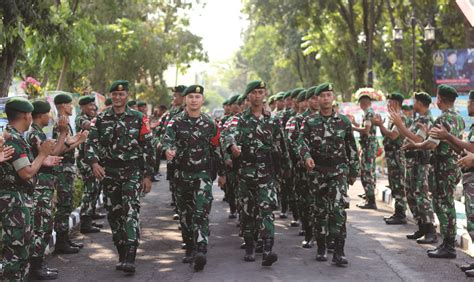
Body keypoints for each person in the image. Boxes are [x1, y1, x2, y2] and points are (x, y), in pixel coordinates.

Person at [85, 80, 155, 273]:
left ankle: (131, 255)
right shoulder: (100, 119)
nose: (117, 97)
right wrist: (94, 163)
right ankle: (122, 252)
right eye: (114, 94)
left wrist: (148, 175)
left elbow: (148, 147)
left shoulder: (139, 118)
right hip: (110, 172)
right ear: (111, 96)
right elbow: (90, 142)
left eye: (121, 94)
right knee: (115, 213)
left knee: (130, 210)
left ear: (127, 96)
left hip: (132, 171)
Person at [225, 80, 290, 266]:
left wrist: (286, 168)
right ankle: (250, 246)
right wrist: (232, 146)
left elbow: (281, 145)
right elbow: (228, 134)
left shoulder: (272, 121)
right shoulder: (239, 119)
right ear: (248, 96)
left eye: (260, 92)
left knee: (266, 210)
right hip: (245, 172)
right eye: (253, 92)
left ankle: (268, 249)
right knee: (247, 212)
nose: (257, 96)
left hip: (266, 173)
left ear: (265, 94)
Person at [162, 85, 225, 271]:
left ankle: (201, 249)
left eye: (197, 96)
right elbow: (166, 140)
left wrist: (222, 174)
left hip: (202, 175)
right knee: (185, 215)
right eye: (190, 96)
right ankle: (189, 247)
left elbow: (216, 149)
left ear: (202, 100)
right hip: (181, 175)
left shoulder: (210, 123)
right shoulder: (175, 122)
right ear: (185, 99)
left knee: (201, 212)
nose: (194, 100)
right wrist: (168, 149)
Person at [298, 83, 359, 266]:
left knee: (338, 209)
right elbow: (301, 142)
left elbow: (351, 148)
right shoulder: (310, 122)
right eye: (322, 95)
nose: (325, 98)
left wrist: (354, 171)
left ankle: (339, 251)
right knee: (320, 211)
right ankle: (322, 246)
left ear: (333, 98)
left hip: (338, 171)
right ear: (317, 99)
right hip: (317, 172)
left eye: (329, 95)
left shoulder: (343, 122)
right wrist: (306, 156)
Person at [403, 84, 464, 259]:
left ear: (440, 99)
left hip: (442, 168)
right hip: (453, 165)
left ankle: (448, 245)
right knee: (448, 204)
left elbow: (431, 144)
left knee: (441, 205)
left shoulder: (442, 120)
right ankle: (448, 243)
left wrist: (415, 144)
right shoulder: (459, 119)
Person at [0, 98, 57, 280]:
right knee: (16, 251)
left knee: (22, 249)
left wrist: (41, 160)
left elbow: (27, 166)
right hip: (14, 202)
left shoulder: (13, 137)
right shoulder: (14, 139)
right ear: (26, 115)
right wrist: (42, 154)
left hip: (19, 199)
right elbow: (26, 173)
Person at [429, 90, 474, 275]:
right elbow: (463, 148)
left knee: (470, 220)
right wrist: (451, 140)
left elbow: (471, 147)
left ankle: (448, 245)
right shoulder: (465, 122)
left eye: (470, 102)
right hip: (464, 173)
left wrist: (447, 136)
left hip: (448, 170)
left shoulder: (444, 119)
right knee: (470, 219)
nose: (468, 106)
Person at [26, 100, 70, 280]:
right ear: (41, 115)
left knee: (45, 226)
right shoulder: (35, 135)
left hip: (45, 185)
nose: (50, 117)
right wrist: (63, 132)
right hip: (40, 186)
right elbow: (55, 154)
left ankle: (39, 265)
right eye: (48, 114)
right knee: (41, 227)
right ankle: (36, 268)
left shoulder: (38, 134)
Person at [388, 92, 437, 244]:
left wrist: (399, 125)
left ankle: (431, 231)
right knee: (411, 195)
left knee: (421, 196)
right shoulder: (418, 118)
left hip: (421, 163)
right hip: (412, 162)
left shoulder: (426, 119)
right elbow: (410, 136)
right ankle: (422, 226)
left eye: (415, 101)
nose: (413, 104)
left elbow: (418, 139)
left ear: (420, 103)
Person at [53, 93, 89, 254]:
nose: (71, 106)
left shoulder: (65, 122)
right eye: (69, 104)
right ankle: (61, 242)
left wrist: (77, 139)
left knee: (67, 205)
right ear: (62, 106)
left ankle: (64, 238)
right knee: (63, 205)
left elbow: (67, 142)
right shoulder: (59, 124)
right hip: (62, 168)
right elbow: (59, 150)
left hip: (67, 168)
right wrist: (79, 142)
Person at [286, 86, 319, 248]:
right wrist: (302, 158)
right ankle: (308, 232)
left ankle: (326, 235)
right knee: (306, 202)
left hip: (325, 169)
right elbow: (290, 144)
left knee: (325, 203)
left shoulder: (329, 118)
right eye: (310, 98)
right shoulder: (296, 120)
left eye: (316, 97)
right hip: (302, 170)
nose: (314, 101)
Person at [372, 93, 410, 224]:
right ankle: (397, 212)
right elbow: (386, 135)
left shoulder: (401, 118)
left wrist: (380, 125)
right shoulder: (392, 118)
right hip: (391, 156)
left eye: (391, 103)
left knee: (399, 184)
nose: (388, 105)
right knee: (394, 184)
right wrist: (381, 125)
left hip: (398, 157)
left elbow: (393, 135)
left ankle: (401, 214)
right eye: (387, 103)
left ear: (397, 104)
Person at [76, 95, 104, 234]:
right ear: (82, 107)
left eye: (94, 105)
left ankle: (90, 215)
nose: (93, 107)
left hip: (92, 159)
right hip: (85, 160)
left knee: (95, 188)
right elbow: (88, 125)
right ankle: (85, 221)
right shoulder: (80, 118)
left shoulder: (92, 117)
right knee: (89, 189)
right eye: (90, 105)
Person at [350, 93, 378, 209]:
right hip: (368, 145)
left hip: (368, 146)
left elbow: (366, 131)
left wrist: (353, 128)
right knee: (368, 171)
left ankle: (371, 201)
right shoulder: (368, 113)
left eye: (361, 103)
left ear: (363, 103)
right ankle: (369, 197)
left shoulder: (369, 113)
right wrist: (355, 124)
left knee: (366, 173)